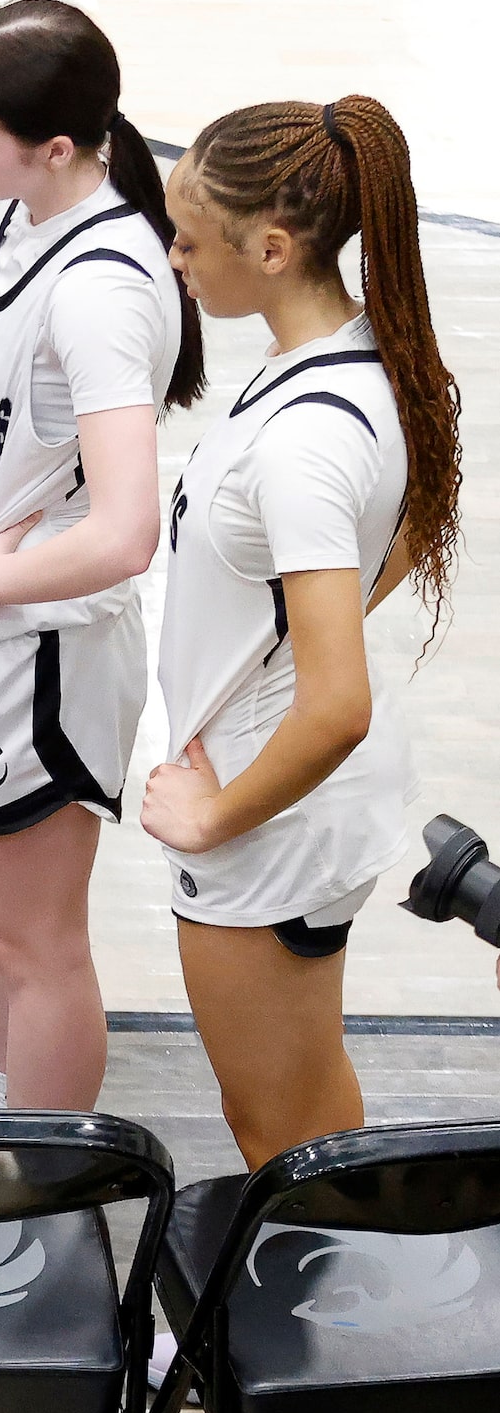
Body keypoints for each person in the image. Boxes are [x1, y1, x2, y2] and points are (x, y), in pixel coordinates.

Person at [0, 1, 202, 1113]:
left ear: (56, 146)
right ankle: (7, 1110)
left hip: (33, 646)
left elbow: (125, 533)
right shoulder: (25, 210)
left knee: (34, 942)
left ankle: (38, 1183)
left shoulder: (103, 290)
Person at [141, 95, 460, 1169]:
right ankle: (331, 1308)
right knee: (304, 1100)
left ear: (270, 248)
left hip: (269, 815)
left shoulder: (302, 442)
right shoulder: (356, 357)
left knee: (273, 1129)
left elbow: (336, 706)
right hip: (293, 796)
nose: (171, 255)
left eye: (187, 237)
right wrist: (286, 634)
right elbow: (410, 529)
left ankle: (303, 1323)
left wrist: (212, 817)